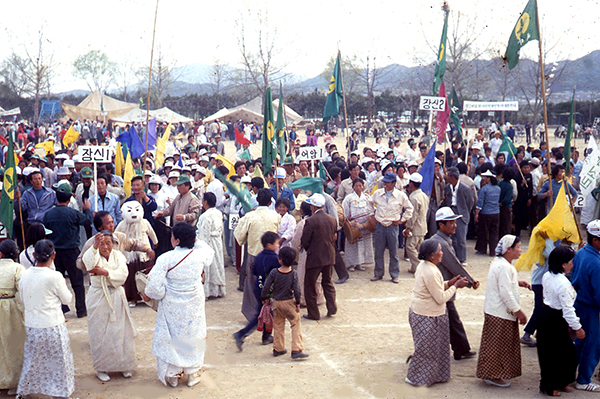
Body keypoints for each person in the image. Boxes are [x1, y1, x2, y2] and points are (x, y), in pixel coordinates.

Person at [145, 223, 214, 388]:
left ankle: (173, 375)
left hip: (171, 304)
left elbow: (153, 288)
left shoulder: (166, 258)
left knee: (172, 337)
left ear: (175, 241)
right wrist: (195, 239)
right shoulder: (200, 255)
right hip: (194, 302)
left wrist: (162, 294)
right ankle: (192, 373)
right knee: (194, 335)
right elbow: (209, 252)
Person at [406, 240, 469, 387]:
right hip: (427, 316)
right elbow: (441, 298)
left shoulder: (426, 266)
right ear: (432, 255)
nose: (442, 253)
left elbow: (436, 287)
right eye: (439, 251)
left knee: (433, 350)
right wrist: (456, 286)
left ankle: (433, 376)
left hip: (426, 314)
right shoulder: (430, 271)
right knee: (426, 351)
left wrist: (450, 283)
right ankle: (415, 378)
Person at [17, 240, 74, 399]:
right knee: (60, 362)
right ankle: (61, 394)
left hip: (32, 325)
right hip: (52, 325)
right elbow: (67, 299)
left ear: (34, 255)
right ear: (53, 255)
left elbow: (22, 298)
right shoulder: (55, 276)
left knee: (32, 361)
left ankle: (24, 392)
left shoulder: (25, 274)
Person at [424, 207, 478, 361]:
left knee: (449, 320)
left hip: (440, 287)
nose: (455, 225)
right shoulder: (441, 244)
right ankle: (461, 349)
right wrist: (470, 282)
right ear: (441, 225)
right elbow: (455, 267)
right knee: (451, 320)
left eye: (455, 221)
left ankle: (461, 348)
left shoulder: (440, 240)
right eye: (451, 222)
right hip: (442, 289)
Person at [476, 235, 531, 388]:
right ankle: (493, 376)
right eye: (518, 247)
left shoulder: (499, 263)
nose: (520, 250)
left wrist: (517, 283)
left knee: (496, 345)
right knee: (498, 346)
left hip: (495, 311)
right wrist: (519, 311)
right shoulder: (505, 267)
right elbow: (505, 292)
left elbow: (503, 283)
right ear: (509, 249)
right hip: (500, 313)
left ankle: (492, 373)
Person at [82, 231, 137, 382]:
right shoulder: (92, 254)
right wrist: (94, 246)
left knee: (121, 331)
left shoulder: (118, 255)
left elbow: (123, 273)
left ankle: (124, 365)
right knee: (99, 332)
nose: (105, 247)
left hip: (117, 295)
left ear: (113, 244)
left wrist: (105, 272)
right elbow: (88, 263)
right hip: (98, 296)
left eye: (108, 243)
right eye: (102, 244)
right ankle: (101, 367)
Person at [537, 246, 582, 396]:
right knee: (553, 355)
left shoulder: (547, 276)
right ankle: (550, 386)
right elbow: (568, 310)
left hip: (546, 315)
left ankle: (562, 382)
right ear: (563, 264)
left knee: (562, 352)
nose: (572, 265)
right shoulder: (563, 284)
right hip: (555, 318)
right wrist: (578, 328)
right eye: (571, 262)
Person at [43, 180, 92, 318]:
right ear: (70, 198)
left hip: (54, 252)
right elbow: (88, 221)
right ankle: (81, 310)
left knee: (57, 282)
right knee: (77, 283)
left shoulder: (48, 214)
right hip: (71, 251)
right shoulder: (73, 213)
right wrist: (87, 209)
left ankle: (61, 309)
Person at [233, 188, 280, 320]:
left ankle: (253, 313)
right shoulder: (276, 216)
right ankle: (270, 313)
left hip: (255, 255)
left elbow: (239, 236)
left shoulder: (249, 216)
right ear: (270, 202)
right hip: (271, 256)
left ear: (257, 200)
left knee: (252, 284)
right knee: (270, 285)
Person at [233, 231, 280, 350]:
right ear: (269, 245)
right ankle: (241, 334)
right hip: (267, 290)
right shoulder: (274, 259)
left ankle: (266, 336)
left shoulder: (259, 256)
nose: (278, 245)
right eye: (277, 243)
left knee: (266, 312)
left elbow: (254, 272)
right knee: (263, 314)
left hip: (258, 287)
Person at [261, 246, 309, 360]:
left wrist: (264, 297)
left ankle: (278, 348)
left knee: (278, 325)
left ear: (280, 260)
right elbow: (297, 290)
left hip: (277, 303)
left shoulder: (274, 272)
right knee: (295, 323)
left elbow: (266, 286)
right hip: (288, 302)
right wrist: (297, 302)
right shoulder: (293, 274)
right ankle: (296, 349)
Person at [571, 220, 600, 391]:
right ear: (595, 240)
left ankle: (568, 374)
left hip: (579, 302)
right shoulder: (595, 263)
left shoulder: (581, 253)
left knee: (580, 343)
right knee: (593, 344)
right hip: (591, 307)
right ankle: (583, 379)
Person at [369, 172, 414, 283]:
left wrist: (402, 220)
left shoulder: (401, 195)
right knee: (378, 251)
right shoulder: (378, 193)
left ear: (394, 183)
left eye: (388, 182)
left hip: (392, 226)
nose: (385, 184)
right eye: (385, 182)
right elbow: (369, 203)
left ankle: (394, 274)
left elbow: (409, 209)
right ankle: (378, 273)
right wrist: (372, 215)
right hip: (380, 225)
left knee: (394, 252)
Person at [301, 193, 338, 320]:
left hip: (315, 256)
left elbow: (305, 241)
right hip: (329, 255)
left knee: (309, 285)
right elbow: (333, 237)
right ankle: (332, 308)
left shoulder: (310, 221)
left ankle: (313, 313)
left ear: (313, 207)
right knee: (327, 282)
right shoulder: (332, 219)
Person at [0, 240, 25, 396]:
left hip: (6, 306)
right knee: (13, 345)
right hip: (12, 309)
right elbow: (21, 292)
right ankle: (14, 382)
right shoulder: (18, 268)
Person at [291, 201, 325, 307]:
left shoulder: (303, 224)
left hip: (306, 253)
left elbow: (296, 240)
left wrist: (298, 249)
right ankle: (318, 297)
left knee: (303, 276)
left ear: (301, 211)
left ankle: (304, 299)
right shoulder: (320, 221)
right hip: (320, 252)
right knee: (317, 277)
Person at [196, 192, 226, 299]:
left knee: (209, 265)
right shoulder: (218, 213)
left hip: (209, 242)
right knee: (216, 264)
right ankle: (217, 290)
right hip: (216, 241)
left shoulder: (205, 216)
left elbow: (204, 234)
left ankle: (208, 291)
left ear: (205, 202)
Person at [443, 167, 475, 264]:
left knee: (461, 237)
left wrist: (465, 211)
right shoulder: (447, 187)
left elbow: (471, 202)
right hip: (451, 211)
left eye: (448, 175)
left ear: (452, 177)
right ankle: (453, 258)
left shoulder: (465, 188)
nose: (446, 177)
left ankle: (462, 259)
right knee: (452, 238)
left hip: (461, 213)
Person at [342, 178, 375, 271]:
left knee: (362, 243)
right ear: (353, 187)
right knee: (352, 244)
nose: (358, 187)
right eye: (356, 186)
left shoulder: (367, 197)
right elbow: (345, 211)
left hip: (365, 224)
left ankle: (359, 263)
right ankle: (351, 264)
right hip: (353, 224)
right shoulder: (349, 198)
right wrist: (348, 223)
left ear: (363, 186)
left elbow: (371, 209)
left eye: (360, 186)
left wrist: (369, 222)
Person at [404, 173, 429, 274]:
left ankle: (418, 266)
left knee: (410, 246)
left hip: (416, 227)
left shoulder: (414, 198)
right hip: (423, 226)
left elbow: (412, 215)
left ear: (411, 184)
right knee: (419, 248)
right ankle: (415, 267)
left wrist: (408, 228)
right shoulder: (424, 196)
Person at [474, 170, 501, 256]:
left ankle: (482, 249)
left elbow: (480, 203)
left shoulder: (484, 189)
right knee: (494, 232)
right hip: (496, 212)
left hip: (485, 213)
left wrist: (477, 213)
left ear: (489, 178)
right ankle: (493, 251)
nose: (484, 179)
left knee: (483, 232)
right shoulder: (498, 188)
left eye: (485, 177)